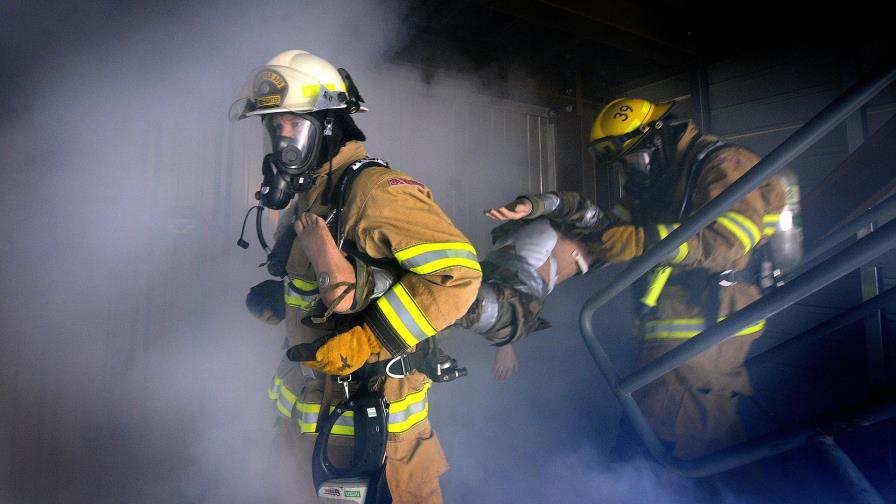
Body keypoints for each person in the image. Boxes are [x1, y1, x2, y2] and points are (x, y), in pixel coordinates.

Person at [233, 50, 481, 503]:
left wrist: (370, 340)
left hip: (379, 444)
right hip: (308, 440)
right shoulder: (313, 198)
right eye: (274, 126)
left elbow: (458, 278)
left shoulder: (375, 192)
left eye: (293, 123)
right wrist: (289, 302)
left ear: (329, 125)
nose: (281, 139)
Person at [581, 97, 787, 460]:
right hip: (674, 316)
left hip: (711, 313)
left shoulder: (725, 164)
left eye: (634, 158)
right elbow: (616, 225)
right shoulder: (659, 178)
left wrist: (640, 241)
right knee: (675, 420)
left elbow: (729, 242)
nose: (630, 169)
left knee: (676, 430)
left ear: (656, 139)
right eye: (624, 164)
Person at [456, 191, 610, 380]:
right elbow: (563, 204)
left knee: (459, 305)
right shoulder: (599, 224)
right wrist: (532, 205)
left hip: (510, 291)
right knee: (454, 300)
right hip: (507, 272)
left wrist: (505, 342)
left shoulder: (599, 255)